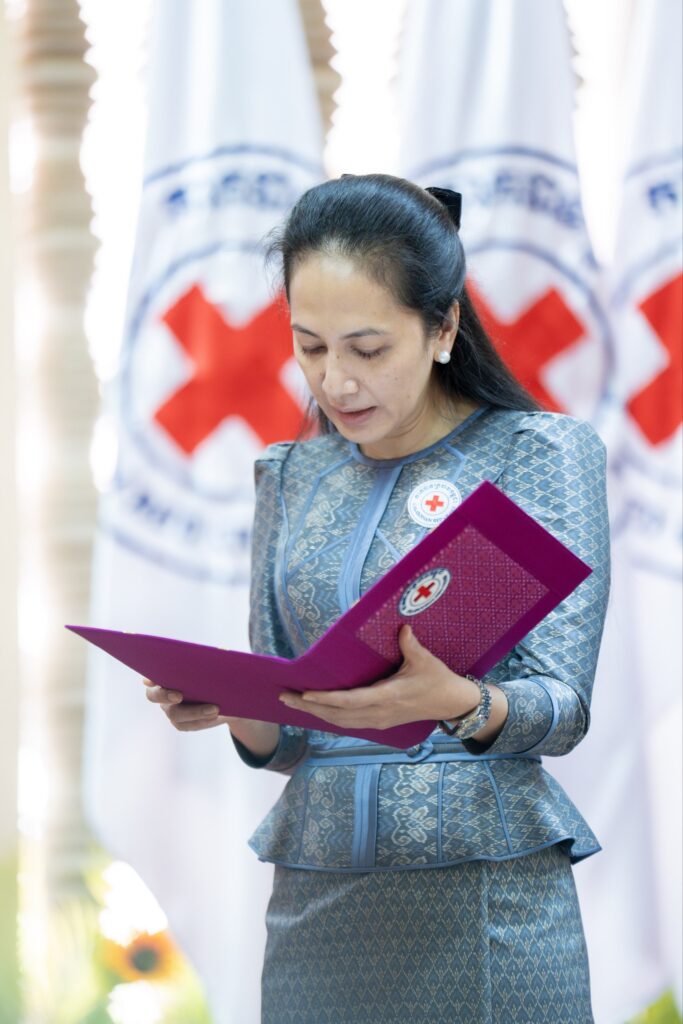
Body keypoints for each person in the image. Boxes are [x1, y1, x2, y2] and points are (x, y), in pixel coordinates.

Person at [143, 173, 610, 1024]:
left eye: (367, 349)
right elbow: (291, 734)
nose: (336, 382)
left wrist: (456, 703)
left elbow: (564, 709)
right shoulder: (290, 475)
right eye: (310, 346)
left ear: (443, 328)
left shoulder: (537, 455)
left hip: (482, 900)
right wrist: (237, 706)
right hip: (318, 903)